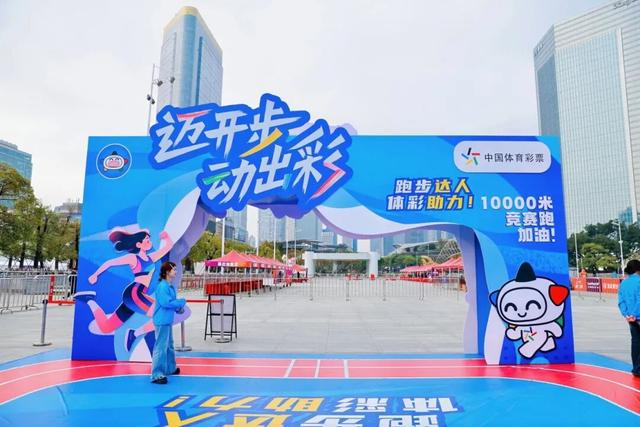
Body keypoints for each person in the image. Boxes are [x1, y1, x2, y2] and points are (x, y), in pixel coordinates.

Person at [151, 261, 186, 384]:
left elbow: (171, 302)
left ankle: (170, 368)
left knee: (169, 345)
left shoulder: (170, 286)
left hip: (167, 320)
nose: (176, 271)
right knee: (161, 347)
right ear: (167, 272)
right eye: (174, 269)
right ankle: (156, 374)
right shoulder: (163, 286)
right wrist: (181, 302)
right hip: (161, 320)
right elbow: (166, 303)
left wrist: (178, 308)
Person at [618, 259, 640, 377]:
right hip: (637, 316)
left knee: (635, 342)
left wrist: (627, 314)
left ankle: (636, 368)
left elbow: (621, 301)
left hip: (630, 318)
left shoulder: (624, 283)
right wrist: (635, 314)